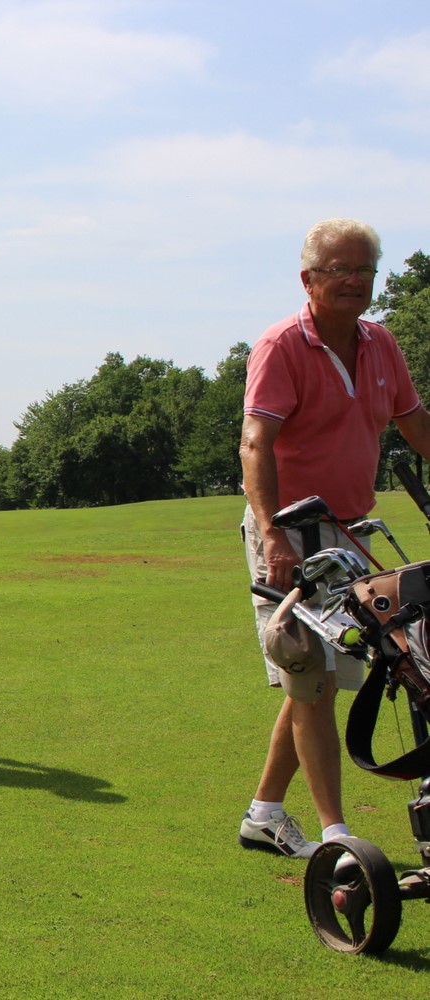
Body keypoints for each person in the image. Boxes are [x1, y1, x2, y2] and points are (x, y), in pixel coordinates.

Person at [239, 218, 430, 857]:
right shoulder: (280, 346)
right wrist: (273, 534)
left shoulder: (380, 342)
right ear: (309, 279)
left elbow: (415, 423)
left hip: (350, 531)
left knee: (320, 679)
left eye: (364, 269)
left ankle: (264, 812)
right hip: (291, 534)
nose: (354, 280)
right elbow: (255, 444)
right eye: (339, 269)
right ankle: (335, 834)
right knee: (311, 680)